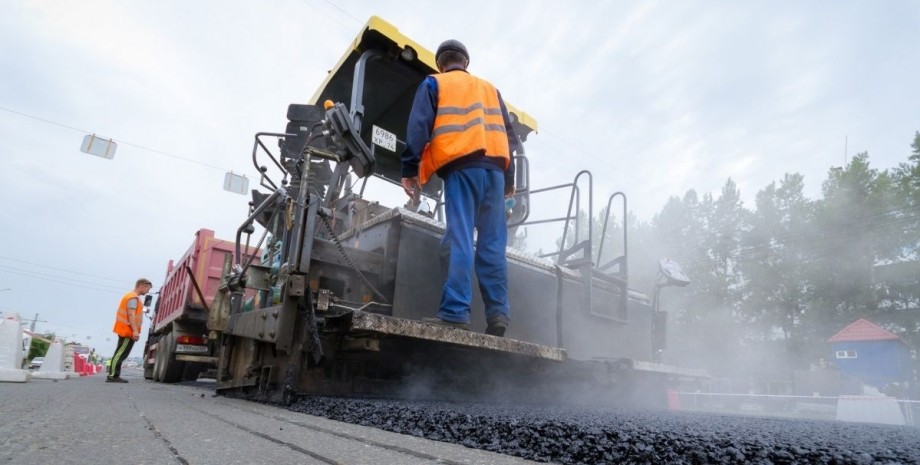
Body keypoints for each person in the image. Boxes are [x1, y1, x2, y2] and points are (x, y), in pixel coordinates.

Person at [401, 39, 520, 337]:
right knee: (493, 245)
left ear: (441, 64)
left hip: (462, 170)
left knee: (460, 238)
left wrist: (409, 169)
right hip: (495, 173)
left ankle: (455, 312)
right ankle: (498, 315)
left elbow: (418, 126)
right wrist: (509, 180)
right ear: (465, 62)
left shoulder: (434, 83)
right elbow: (509, 138)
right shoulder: (491, 90)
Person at [106, 278, 152, 383]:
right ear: (142, 286)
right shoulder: (133, 298)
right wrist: (135, 331)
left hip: (127, 329)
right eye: (148, 289)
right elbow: (131, 315)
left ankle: (114, 375)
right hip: (127, 331)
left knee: (121, 353)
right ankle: (113, 376)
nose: (148, 292)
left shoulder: (132, 297)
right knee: (120, 354)